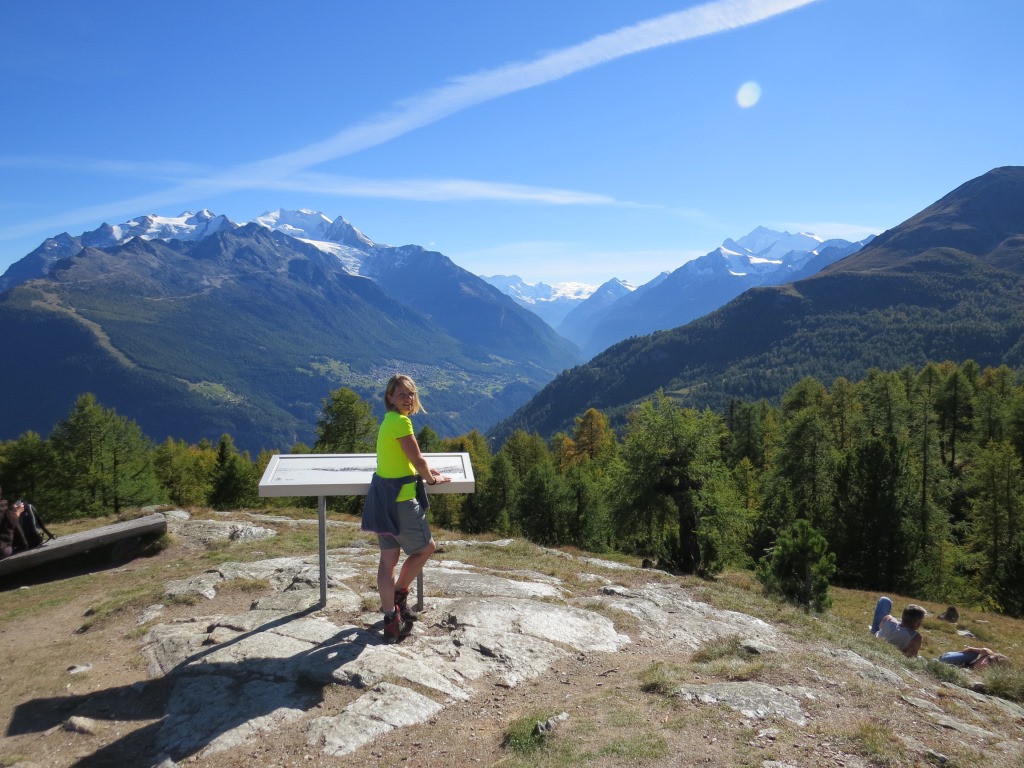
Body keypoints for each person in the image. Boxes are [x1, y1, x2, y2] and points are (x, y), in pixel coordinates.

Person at [361, 374, 449, 642]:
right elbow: (418, 458)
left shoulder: (388, 421)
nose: (408, 398)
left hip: (381, 499)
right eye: (402, 394)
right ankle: (400, 594)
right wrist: (432, 478)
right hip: (400, 500)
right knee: (426, 548)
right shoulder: (401, 422)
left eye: (411, 393)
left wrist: (419, 469)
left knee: (388, 560)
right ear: (390, 398)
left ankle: (391, 617)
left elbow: (404, 460)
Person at [937, 647, 1009, 669]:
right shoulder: (986, 653)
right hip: (968, 660)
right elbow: (969, 649)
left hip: (967, 667)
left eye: (990, 663)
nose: (985, 662)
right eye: (989, 659)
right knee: (944, 660)